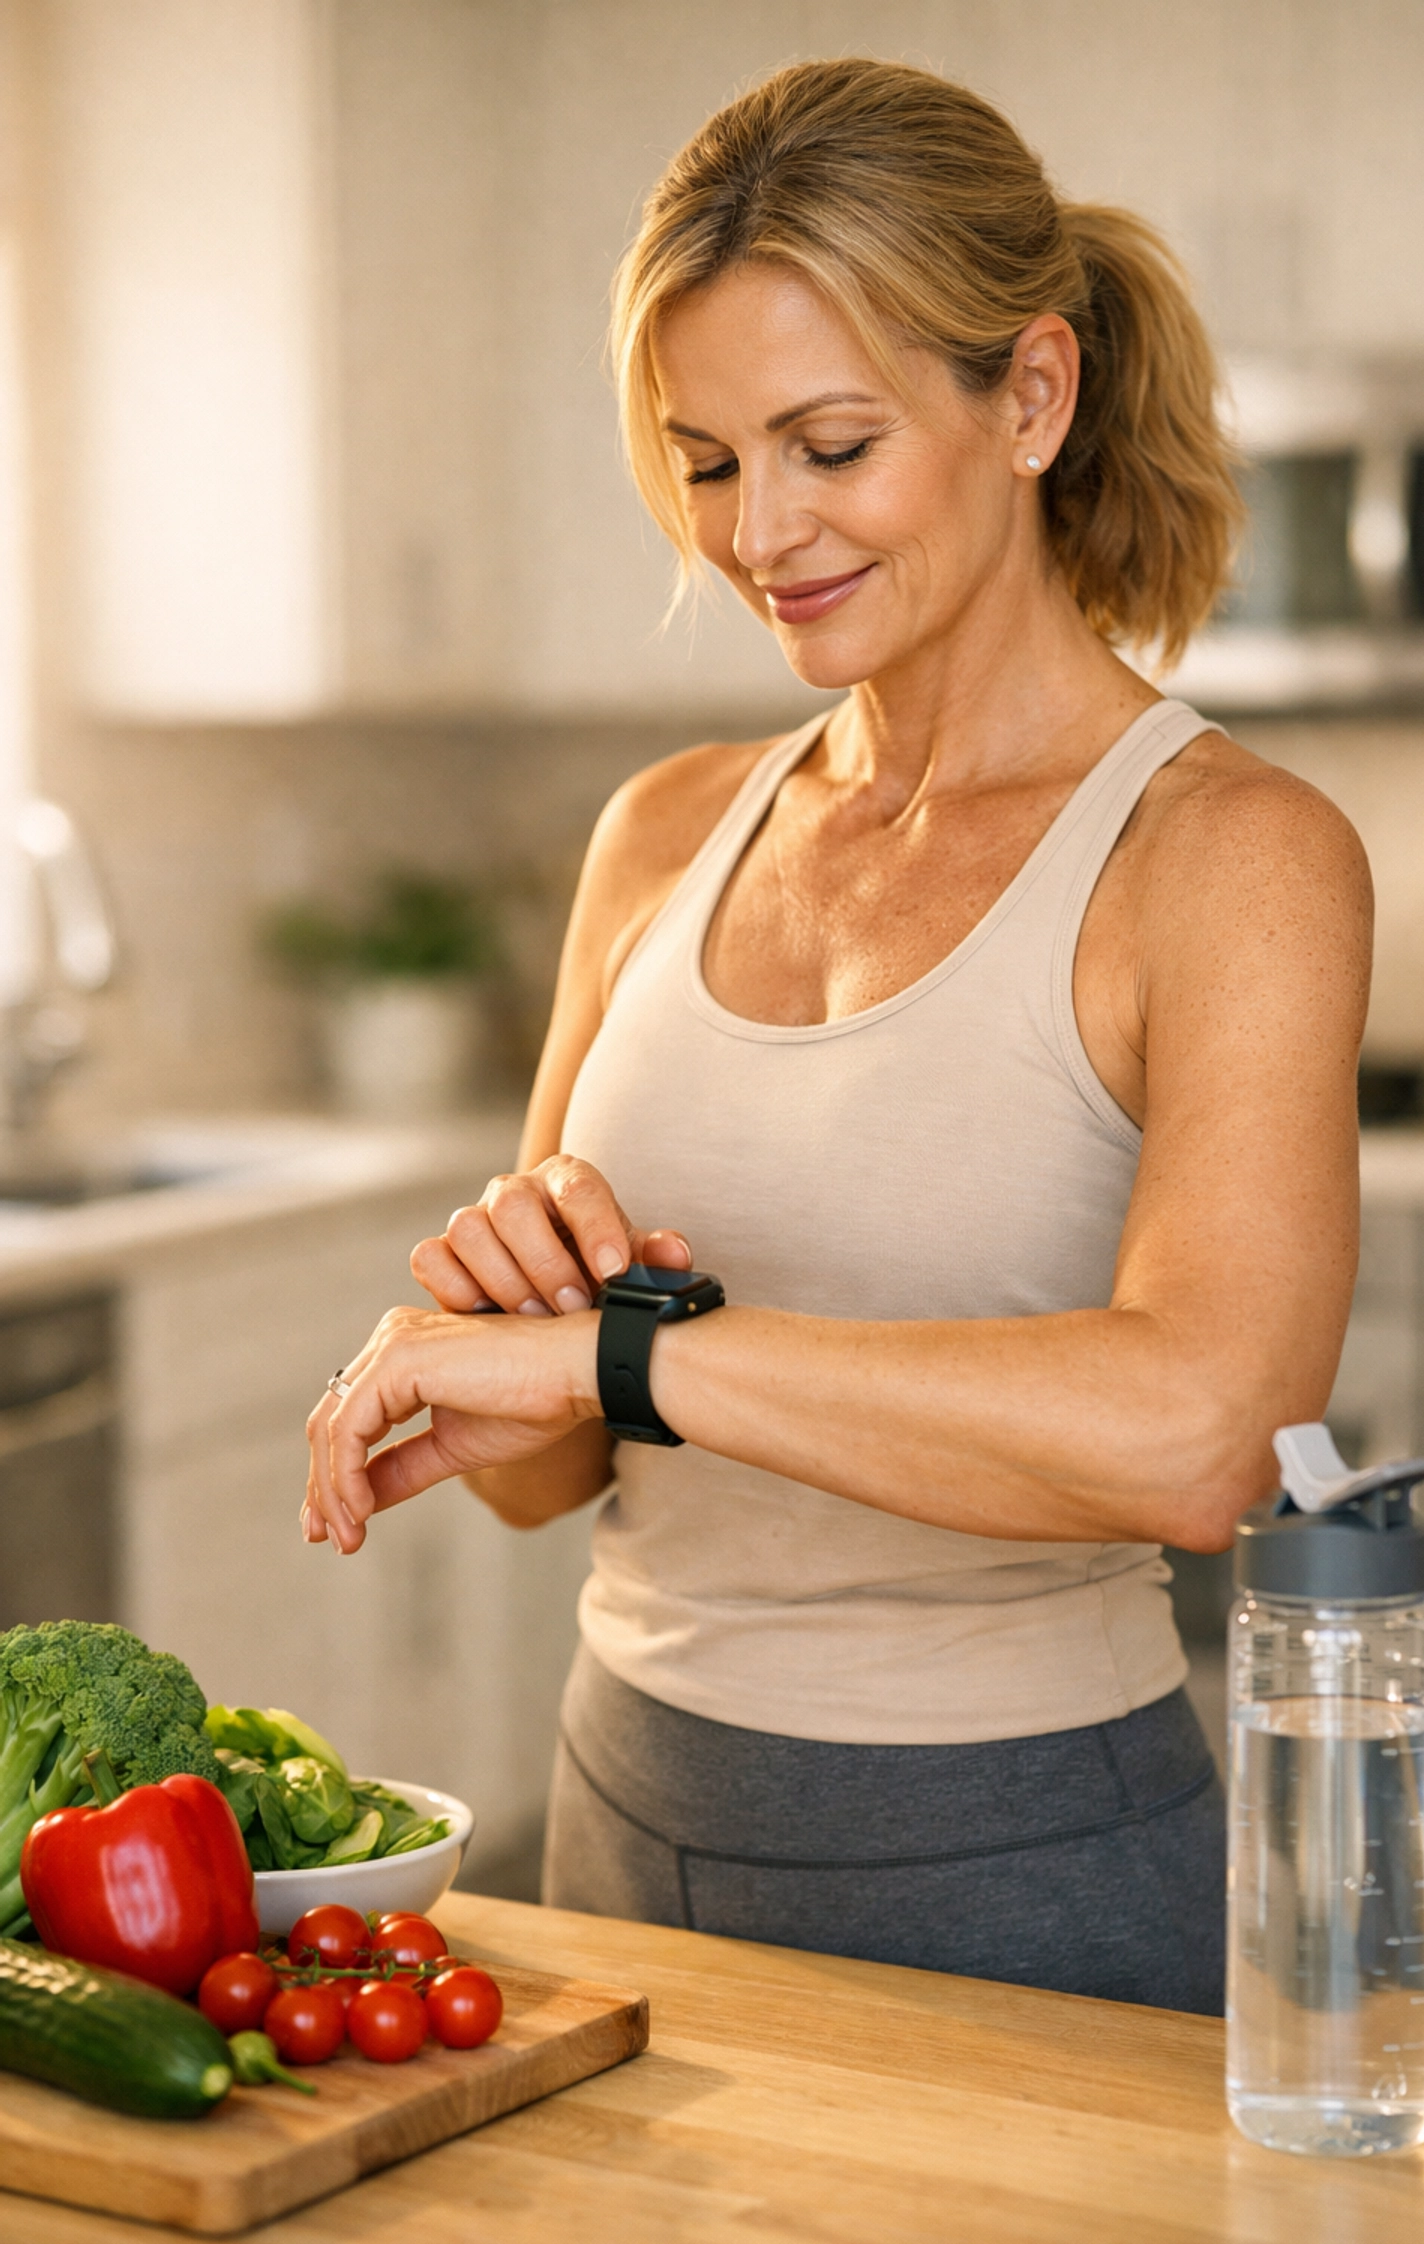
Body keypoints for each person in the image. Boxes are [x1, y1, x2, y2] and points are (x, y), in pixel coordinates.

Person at [303, 58, 1370, 2015]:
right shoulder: (660, 835)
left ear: (1029, 397)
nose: (758, 529)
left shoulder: (1227, 855)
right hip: (615, 1820)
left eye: (828, 444)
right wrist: (505, 1347)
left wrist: (626, 1350)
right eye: (708, 461)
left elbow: (1207, 1434)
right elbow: (560, 1476)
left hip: (1028, 1862)